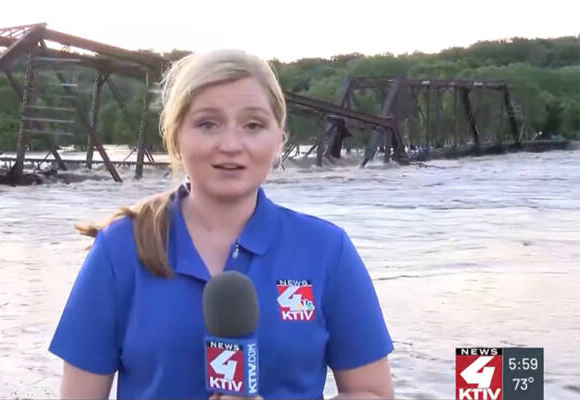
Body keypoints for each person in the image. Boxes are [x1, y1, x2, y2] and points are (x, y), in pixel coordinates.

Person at [49, 49, 394, 399]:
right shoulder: (121, 247)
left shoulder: (326, 250)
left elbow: (373, 393)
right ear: (176, 135)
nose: (231, 145)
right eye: (207, 124)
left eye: (253, 125)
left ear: (279, 139)